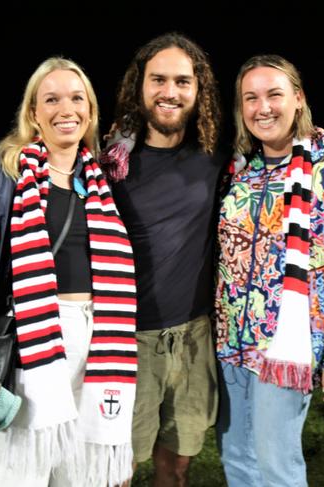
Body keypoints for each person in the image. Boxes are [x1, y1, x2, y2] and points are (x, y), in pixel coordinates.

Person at [0, 57, 137, 487]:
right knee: (21, 474)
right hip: (33, 340)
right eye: (52, 99)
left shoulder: (102, 178)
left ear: (90, 110)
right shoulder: (6, 173)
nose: (67, 109)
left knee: (84, 478)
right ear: (33, 113)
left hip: (100, 341)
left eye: (77, 98)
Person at [214, 54, 324, 486]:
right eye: (250, 98)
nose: (262, 107)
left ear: (298, 99)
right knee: (237, 460)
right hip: (232, 341)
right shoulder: (242, 175)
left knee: (276, 464)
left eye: (273, 94)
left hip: (288, 344)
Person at [101, 32, 226, 486]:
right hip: (125, 340)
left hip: (193, 336)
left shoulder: (216, 157)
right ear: (140, 85)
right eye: (158, 80)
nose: (169, 92)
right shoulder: (107, 163)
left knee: (176, 465)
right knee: (118, 468)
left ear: (199, 90)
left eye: (182, 81)